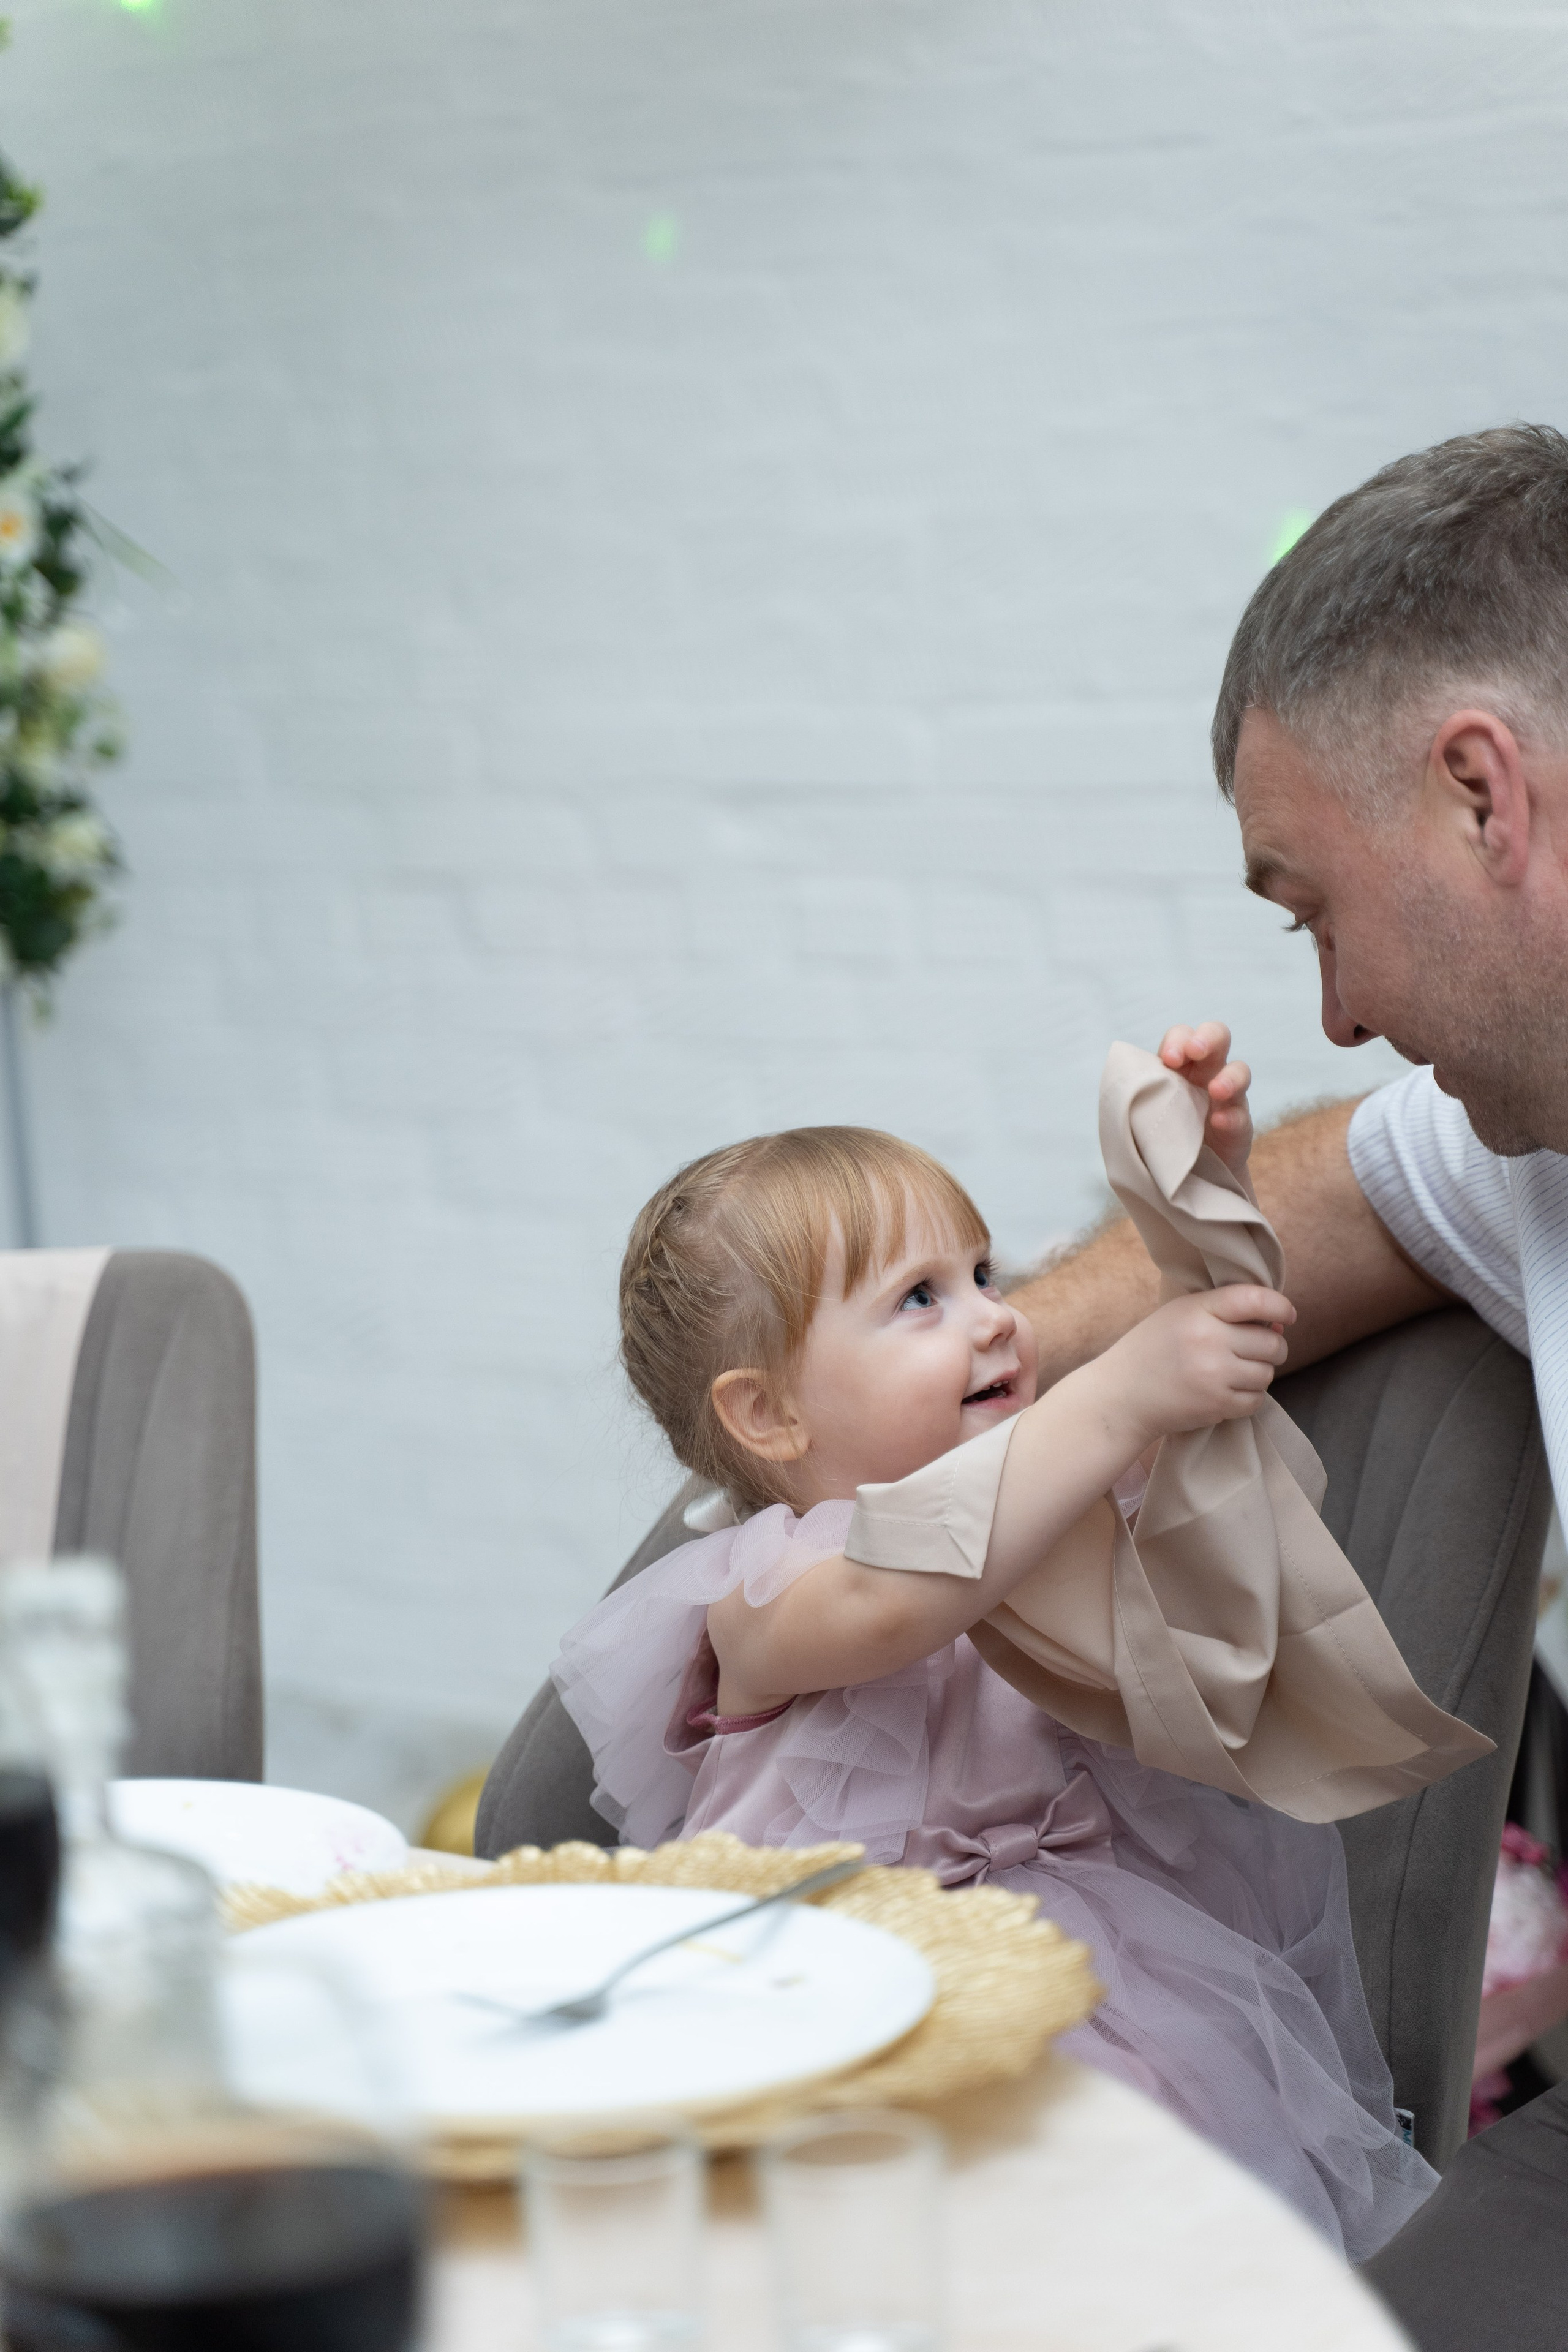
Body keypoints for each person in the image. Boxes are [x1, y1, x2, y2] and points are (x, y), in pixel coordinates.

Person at [1005, 423, 1568, 2345]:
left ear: (1484, 793)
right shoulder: (1529, 1147)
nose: (1330, 1008)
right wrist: (967, 1369)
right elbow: (1327, 1194)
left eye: (1308, 900)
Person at [552, 1115, 1435, 2261]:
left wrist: (1204, 1241)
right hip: (834, 1988)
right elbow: (902, 1600)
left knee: (1135, 2223)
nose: (996, 1315)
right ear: (769, 1413)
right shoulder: (771, 1589)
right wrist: (1119, 1391)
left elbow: (1217, 1605)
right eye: (919, 1299)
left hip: (1091, 1967)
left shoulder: (1054, 1503)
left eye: (983, 1273)